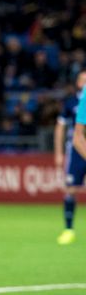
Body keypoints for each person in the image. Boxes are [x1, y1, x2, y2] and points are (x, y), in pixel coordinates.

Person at [55, 69, 86, 245]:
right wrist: (58, 153)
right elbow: (61, 128)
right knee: (71, 189)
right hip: (77, 150)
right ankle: (68, 229)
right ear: (78, 82)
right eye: (83, 79)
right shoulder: (73, 102)